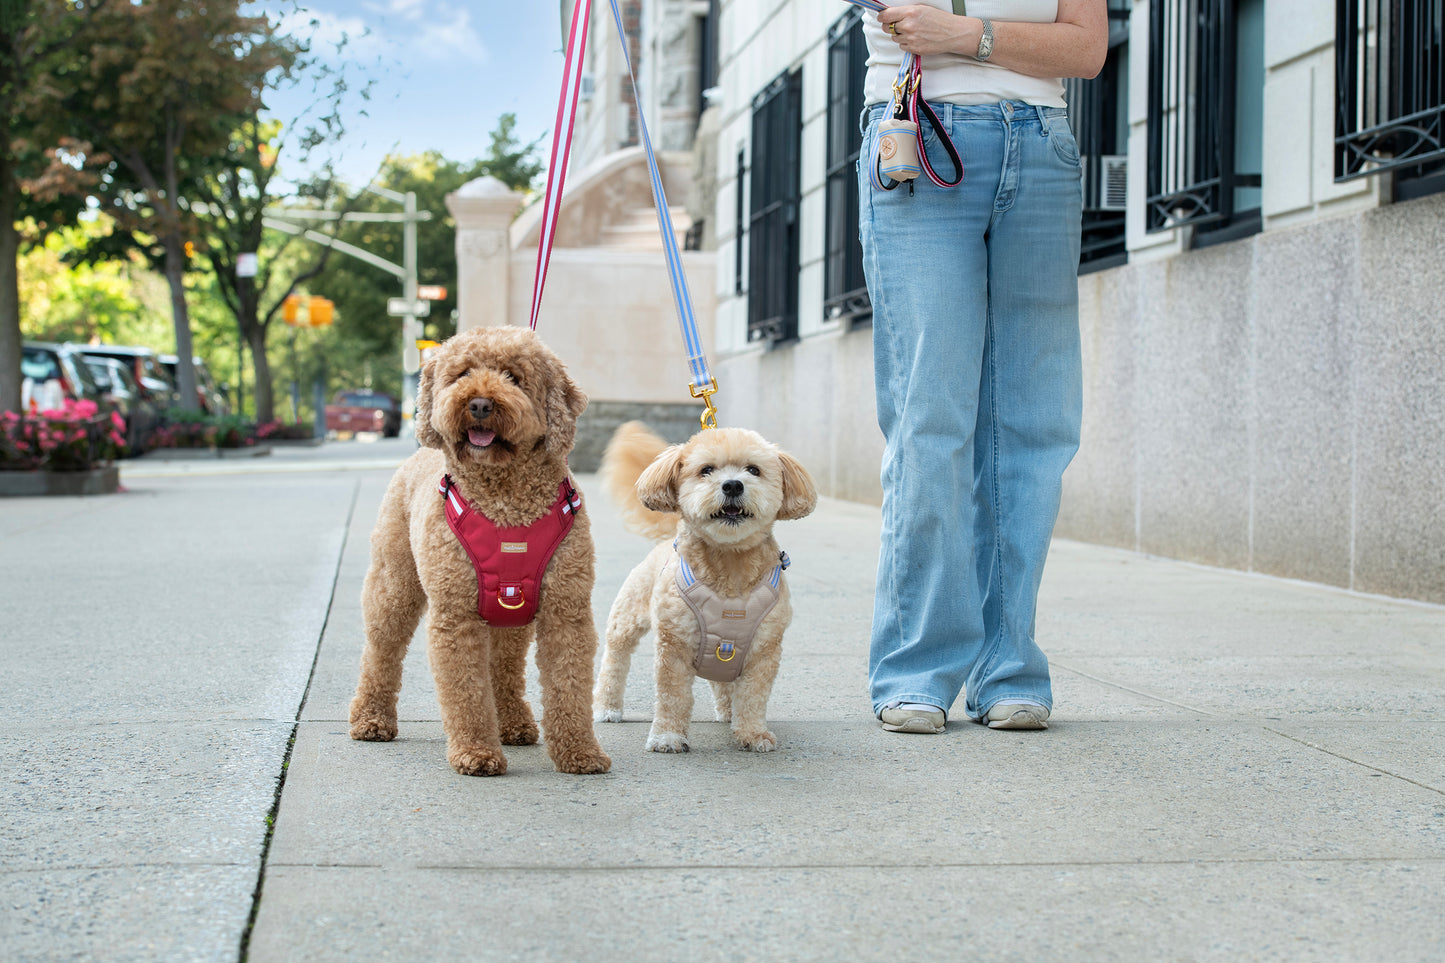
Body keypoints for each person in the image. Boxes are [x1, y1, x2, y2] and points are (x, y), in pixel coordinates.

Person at [860, 0, 1107, 733]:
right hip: (920, 137)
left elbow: (1086, 49)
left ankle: (1008, 666)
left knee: (1032, 424)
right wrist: (1015, 45)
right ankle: (916, 668)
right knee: (929, 417)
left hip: (1040, 148)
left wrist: (969, 36)